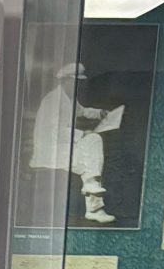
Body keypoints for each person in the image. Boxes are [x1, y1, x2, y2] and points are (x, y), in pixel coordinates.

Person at [30, 61, 118, 226]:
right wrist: (82, 133)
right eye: (75, 81)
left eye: (80, 82)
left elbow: (82, 111)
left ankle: (93, 196)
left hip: (61, 146)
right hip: (49, 150)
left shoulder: (67, 97)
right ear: (65, 80)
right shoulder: (52, 100)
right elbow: (54, 132)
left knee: (94, 141)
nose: (78, 85)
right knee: (89, 156)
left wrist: (100, 113)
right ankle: (94, 207)